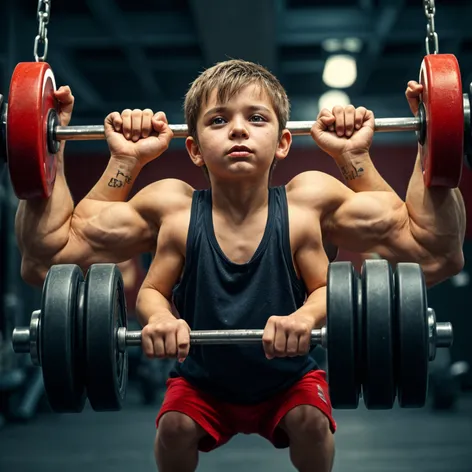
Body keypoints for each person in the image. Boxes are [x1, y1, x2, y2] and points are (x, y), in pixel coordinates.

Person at [15, 59, 465, 472]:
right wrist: (118, 161)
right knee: (174, 429)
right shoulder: (173, 208)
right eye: (218, 120)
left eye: (256, 117)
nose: (237, 130)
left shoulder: (308, 203)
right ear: (193, 148)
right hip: (200, 381)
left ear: (284, 141)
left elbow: (429, 249)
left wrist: (370, 153)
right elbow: (51, 256)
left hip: (289, 379)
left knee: (310, 421)